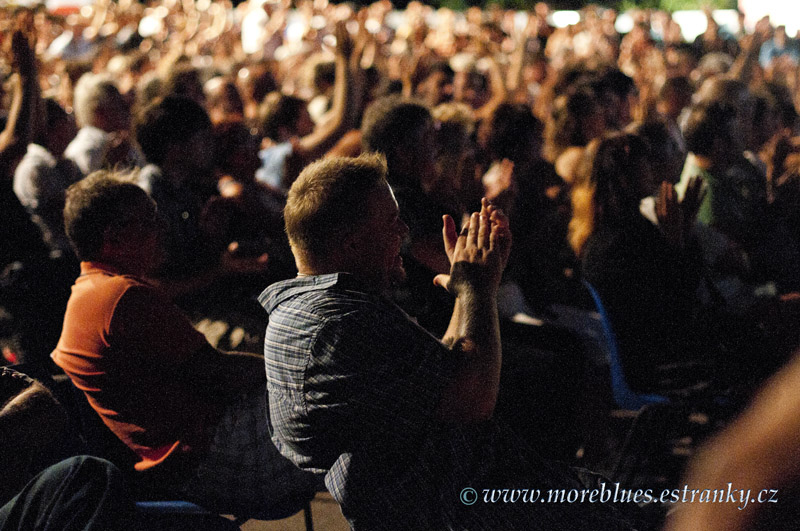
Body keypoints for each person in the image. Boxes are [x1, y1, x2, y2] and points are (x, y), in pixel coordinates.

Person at [260, 154, 648, 530]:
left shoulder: (315, 308)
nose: (404, 232)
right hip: (462, 507)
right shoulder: (336, 325)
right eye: (393, 221)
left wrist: (467, 288)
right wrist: (479, 289)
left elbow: (439, 373)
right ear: (350, 242)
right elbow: (472, 400)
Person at [51, 171, 317, 518]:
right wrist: (294, 364)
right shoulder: (121, 297)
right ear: (112, 237)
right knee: (355, 397)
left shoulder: (86, 295)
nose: (161, 229)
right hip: (218, 458)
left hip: (184, 465)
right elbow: (220, 373)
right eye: (148, 220)